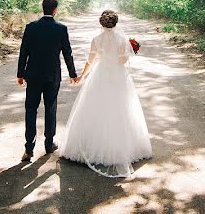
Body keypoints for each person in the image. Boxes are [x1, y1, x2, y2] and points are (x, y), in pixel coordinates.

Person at [61, 10, 152, 177]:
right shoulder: (122, 40)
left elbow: (90, 61)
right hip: (118, 77)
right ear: (115, 23)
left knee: (97, 109)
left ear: (101, 23)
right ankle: (121, 149)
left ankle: (94, 148)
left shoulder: (96, 40)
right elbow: (123, 61)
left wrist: (81, 76)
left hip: (100, 75)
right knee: (120, 111)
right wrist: (130, 49)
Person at [17, 0, 79, 162]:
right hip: (52, 76)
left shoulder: (31, 28)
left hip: (33, 75)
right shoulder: (61, 29)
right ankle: (49, 144)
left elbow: (24, 51)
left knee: (31, 109)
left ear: (43, 9)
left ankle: (28, 148)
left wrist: (20, 74)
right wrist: (73, 74)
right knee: (50, 108)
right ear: (55, 10)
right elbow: (67, 53)